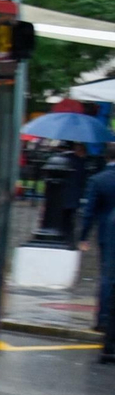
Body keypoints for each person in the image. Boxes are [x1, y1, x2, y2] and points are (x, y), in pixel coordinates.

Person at [78, 142, 115, 362]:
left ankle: (103, 318)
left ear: (105, 157)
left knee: (106, 277)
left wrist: (83, 237)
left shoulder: (98, 180)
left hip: (105, 235)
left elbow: (89, 212)